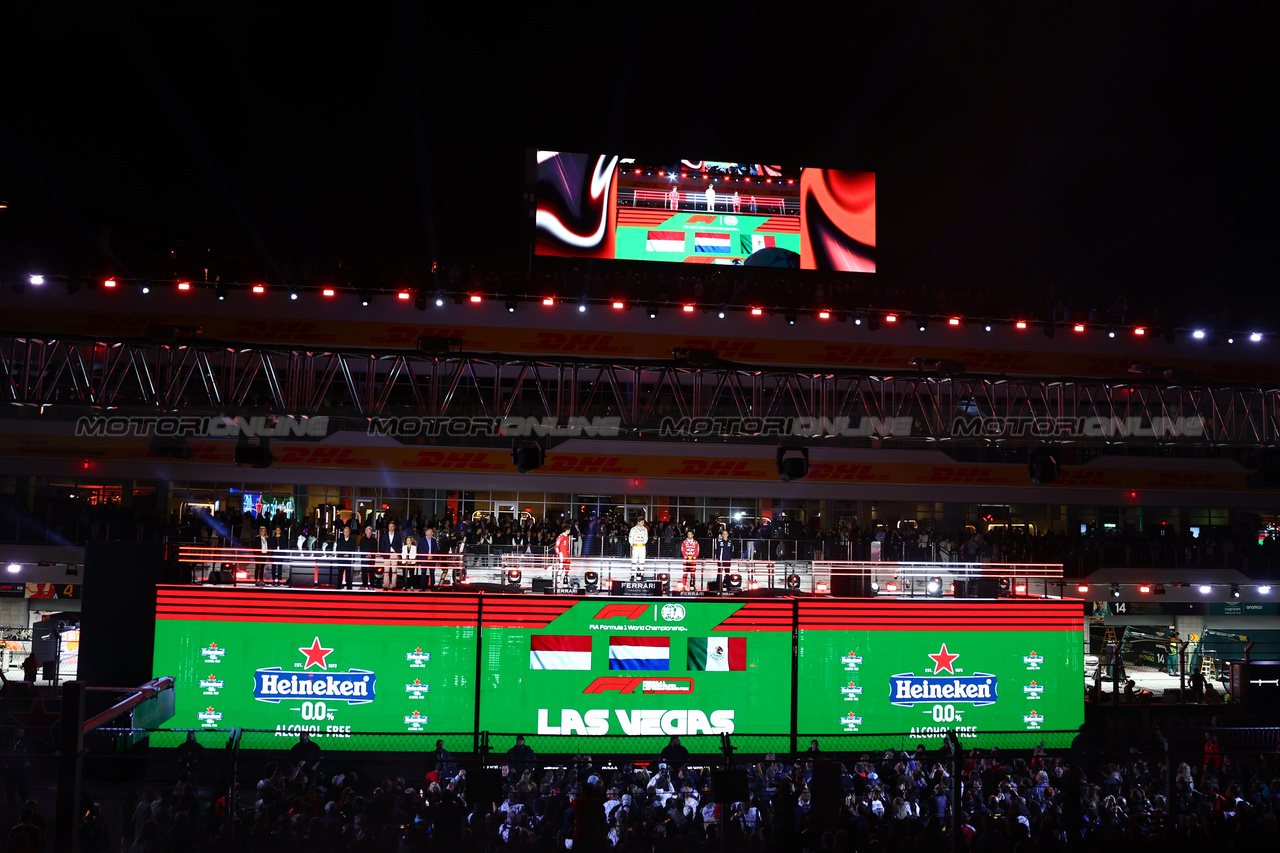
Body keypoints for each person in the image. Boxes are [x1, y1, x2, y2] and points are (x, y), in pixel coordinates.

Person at [379, 520, 403, 590]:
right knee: (386, 570)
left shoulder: (397, 535)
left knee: (394, 571)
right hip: (387, 553)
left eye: (392, 526)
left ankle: (393, 585)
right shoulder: (385, 535)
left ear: (394, 527)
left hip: (394, 553)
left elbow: (399, 545)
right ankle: (385, 585)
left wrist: (398, 554)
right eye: (390, 526)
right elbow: (382, 545)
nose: (391, 528)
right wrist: (384, 553)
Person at [334, 524, 358, 589]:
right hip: (341, 559)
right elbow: (338, 549)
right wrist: (343, 554)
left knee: (349, 574)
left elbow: (353, 548)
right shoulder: (340, 540)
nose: (346, 533)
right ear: (343, 532)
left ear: (349, 532)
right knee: (340, 573)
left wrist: (348, 554)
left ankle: (349, 586)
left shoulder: (352, 540)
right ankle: (339, 586)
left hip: (349, 559)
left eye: (347, 531)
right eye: (345, 531)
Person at [713, 528, 733, 593]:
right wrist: (718, 558)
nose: (724, 535)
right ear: (722, 535)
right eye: (723, 534)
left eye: (725, 534)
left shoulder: (730, 543)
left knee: (727, 574)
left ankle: (728, 587)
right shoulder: (719, 543)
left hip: (727, 561)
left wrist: (729, 558)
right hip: (721, 561)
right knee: (719, 574)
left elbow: (732, 551)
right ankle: (717, 588)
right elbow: (717, 551)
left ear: (727, 535)